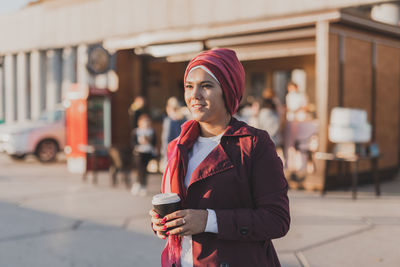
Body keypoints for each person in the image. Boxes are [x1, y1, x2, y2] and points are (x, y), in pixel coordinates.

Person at [149, 48, 290, 267]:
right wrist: (162, 222)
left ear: (227, 90)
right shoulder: (178, 146)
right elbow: (182, 208)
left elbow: (277, 220)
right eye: (189, 86)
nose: (194, 95)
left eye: (206, 86)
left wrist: (208, 220)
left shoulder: (253, 144)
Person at [130, 114, 156, 196]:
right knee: (140, 169)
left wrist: (149, 140)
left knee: (144, 169)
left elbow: (155, 143)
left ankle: (141, 185)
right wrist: (140, 142)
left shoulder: (152, 131)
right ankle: (139, 184)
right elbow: (132, 143)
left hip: (148, 153)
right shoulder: (136, 131)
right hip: (139, 152)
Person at [160, 97, 187, 172]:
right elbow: (166, 140)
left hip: (181, 153)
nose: (176, 111)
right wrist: (165, 157)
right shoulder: (169, 122)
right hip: (171, 153)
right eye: (174, 109)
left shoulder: (184, 120)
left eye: (177, 108)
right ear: (168, 109)